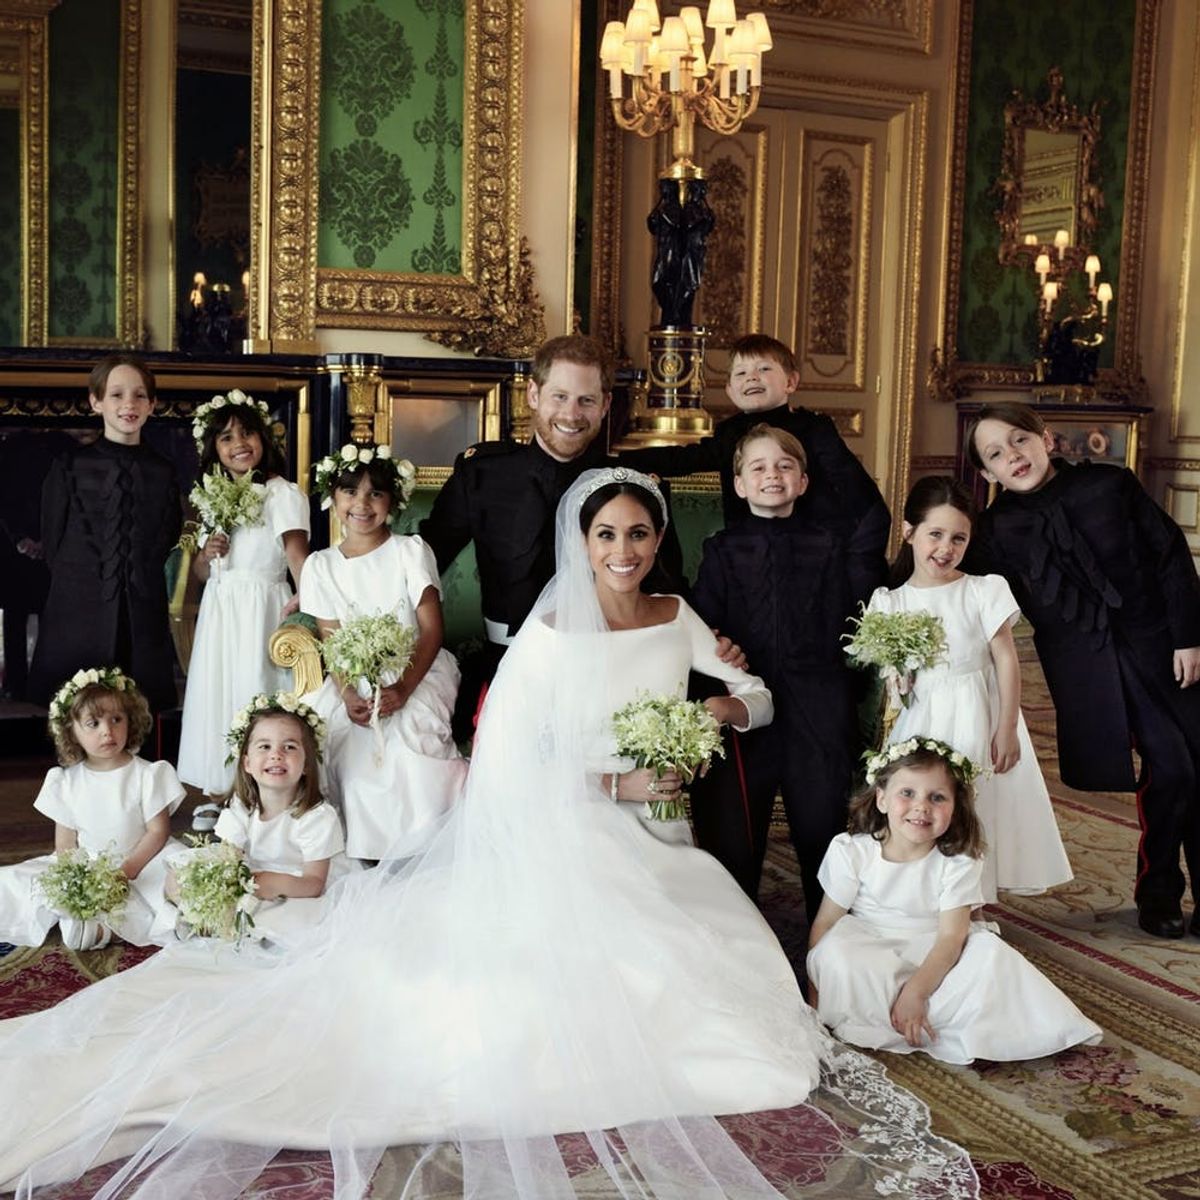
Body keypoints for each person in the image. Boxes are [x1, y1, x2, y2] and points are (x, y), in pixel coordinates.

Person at [0, 468, 977, 1200]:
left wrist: (720, 711)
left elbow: (756, 699)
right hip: (566, 824)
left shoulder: (679, 614)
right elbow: (517, 759)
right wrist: (618, 773)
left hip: (656, 831)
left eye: (640, 533)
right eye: (607, 535)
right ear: (584, 544)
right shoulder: (551, 639)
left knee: (721, 944)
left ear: (657, 537)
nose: (625, 549)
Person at [967, 402, 1200, 939]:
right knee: (1173, 768)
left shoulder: (1110, 486)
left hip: (1162, 648)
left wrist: (1189, 636)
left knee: (1194, 768)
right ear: (987, 474)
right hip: (1089, 670)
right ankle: (1159, 889)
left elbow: (1169, 555)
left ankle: (1164, 890)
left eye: (1019, 441)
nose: (1013, 456)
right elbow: (963, 587)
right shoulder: (997, 530)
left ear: (1045, 438)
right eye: (996, 454)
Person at [420, 333, 684, 739]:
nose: (572, 414)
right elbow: (423, 560)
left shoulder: (633, 486)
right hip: (507, 665)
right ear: (533, 394)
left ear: (605, 406)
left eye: (586, 400)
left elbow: (668, 587)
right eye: (559, 397)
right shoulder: (483, 473)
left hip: (609, 669)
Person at [807, 738, 1101, 1063]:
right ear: (881, 799)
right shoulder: (853, 851)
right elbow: (826, 924)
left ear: (955, 808)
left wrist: (917, 991)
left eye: (937, 797)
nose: (922, 806)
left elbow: (951, 938)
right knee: (837, 952)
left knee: (990, 954)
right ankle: (891, 1015)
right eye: (908, 793)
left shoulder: (958, 861)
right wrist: (814, 997)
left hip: (936, 952)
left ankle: (920, 1012)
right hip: (871, 949)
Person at [866, 476, 1071, 901]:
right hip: (923, 718)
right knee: (924, 804)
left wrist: (1007, 727)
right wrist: (897, 675)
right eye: (935, 535)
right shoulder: (890, 601)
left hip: (979, 712)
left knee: (976, 804)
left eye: (958, 538)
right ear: (908, 532)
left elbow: (1006, 660)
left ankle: (973, 904)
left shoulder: (982, 590)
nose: (945, 548)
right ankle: (928, 898)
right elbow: (892, 674)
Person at [689, 425, 861, 917]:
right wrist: (718, 640)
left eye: (785, 466)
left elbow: (844, 622)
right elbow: (704, 620)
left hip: (816, 703)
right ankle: (738, 931)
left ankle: (825, 938)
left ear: (803, 482)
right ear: (739, 484)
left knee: (821, 824)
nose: (773, 475)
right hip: (748, 704)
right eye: (758, 467)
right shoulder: (721, 549)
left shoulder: (828, 546)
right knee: (736, 834)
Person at [619, 332, 890, 610]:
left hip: (815, 554)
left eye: (764, 369)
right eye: (741, 373)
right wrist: (618, 460)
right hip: (752, 556)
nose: (752, 377)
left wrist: (855, 563)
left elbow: (861, 497)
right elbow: (684, 459)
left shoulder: (814, 428)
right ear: (729, 390)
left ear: (791, 382)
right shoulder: (730, 433)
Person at [301, 442, 465, 860]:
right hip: (353, 678)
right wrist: (347, 693)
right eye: (350, 491)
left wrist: (405, 688)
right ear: (332, 498)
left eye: (375, 493)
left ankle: (426, 845)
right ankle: (366, 850)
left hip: (416, 669)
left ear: (392, 501)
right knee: (352, 757)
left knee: (410, 753)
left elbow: (431, 630)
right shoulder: (320, 566)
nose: (362, 503)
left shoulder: (410, 551)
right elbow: (333, 642)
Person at [177, 390, 310, 805]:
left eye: (248, 434)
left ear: (264, 440)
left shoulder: (280, 493)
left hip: (261, 608)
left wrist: (305, 605)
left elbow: (296, 557)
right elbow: (202, 572)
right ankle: (221, 791)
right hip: (222, 610)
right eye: (227, 438)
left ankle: (261, 793)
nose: (239, 445)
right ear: (214, 449)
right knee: (219, 692)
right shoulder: (212, 499)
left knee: (255, 688)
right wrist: (206, 554)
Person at [28, 355, 182, 713]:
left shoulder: (163, 471)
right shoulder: (68, 467)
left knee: (138, 712)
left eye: (139, 395)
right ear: (96, 402)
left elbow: (166, 538)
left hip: (142, 614)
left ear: (152, 404)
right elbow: (53, 542)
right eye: (116, 395)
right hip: (77, 611)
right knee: (76, 713)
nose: (129, 404)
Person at [0, 667, 184, 950]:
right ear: (71, 731)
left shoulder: (148, 774)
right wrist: (77, 879)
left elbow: (157, 831)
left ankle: (108, 927)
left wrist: (126, 871)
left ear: (130, 721)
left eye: (116, 719)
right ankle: (90, 921)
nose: (107, 731)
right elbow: (66, 842)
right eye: (93, 723)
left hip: (142, 860)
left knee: (175, 883)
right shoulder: (66, 781)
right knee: (15, 883)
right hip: (90, 865)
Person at [159, 695, 352, 945]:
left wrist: (269, 883)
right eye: (265, 747)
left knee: (283, 918)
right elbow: (228, 857)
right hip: (251, 878)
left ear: (306, 764)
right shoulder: (241, 807)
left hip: (295, 887)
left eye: (290, 747)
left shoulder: (316, 817)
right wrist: (222, 885)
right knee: (178, 876)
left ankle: (227, 924)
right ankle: (205, 916)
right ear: (247, 763)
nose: (276, 755)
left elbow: (314, 884)